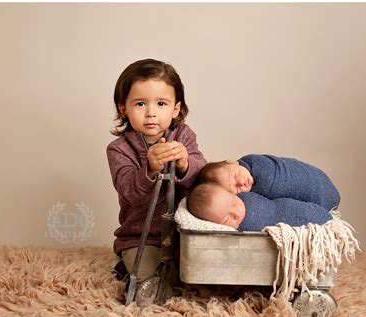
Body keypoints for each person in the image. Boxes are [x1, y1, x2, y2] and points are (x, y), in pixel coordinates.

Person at [107, 59, 206, 285]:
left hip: (182, 233)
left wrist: (185, 163)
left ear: (176, 109)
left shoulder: (184, 136)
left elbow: (202, 174)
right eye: (140, 104)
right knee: (147, 277)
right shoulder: (119, 149)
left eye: (161, 104)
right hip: (142, 236)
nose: (151, 113)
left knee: (194, 273)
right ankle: (124, 264)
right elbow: (128, 190)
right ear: (123, 108)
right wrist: (149, 169)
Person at [187, 154, 339, 231]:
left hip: (320, 184)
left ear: (231, 162)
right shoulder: (248, 203)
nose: (241, 182)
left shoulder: (257, 165)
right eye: (236, 189)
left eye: (234, 174)